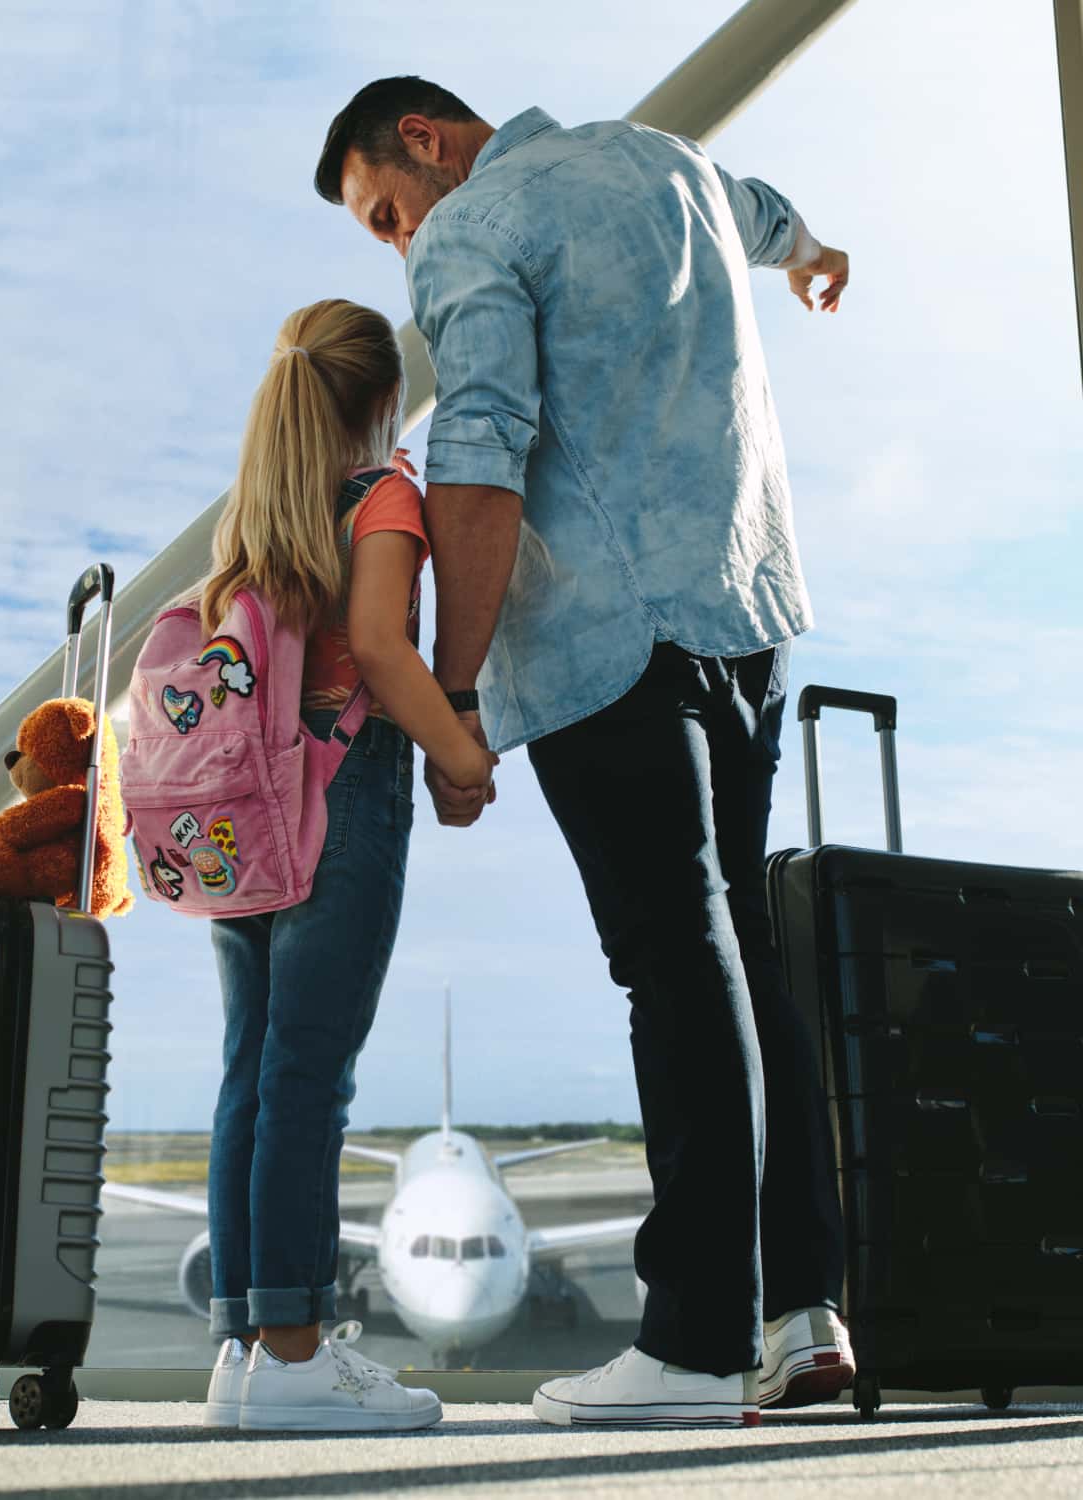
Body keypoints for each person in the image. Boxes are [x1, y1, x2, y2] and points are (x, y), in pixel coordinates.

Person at [316, 79, 852, 1429]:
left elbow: (483, 453)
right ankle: (801, 1316)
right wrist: (816, 256)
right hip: (748, 615)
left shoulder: (472, 227)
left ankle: (688, 1347)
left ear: (425, 144)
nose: (396, 245)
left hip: (609, 643)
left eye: (384, 213)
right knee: (741, 959)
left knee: (671, 962)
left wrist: (456, 694)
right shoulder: (667, 163)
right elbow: (768, 211)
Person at [197, 297, 495, 1432]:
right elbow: (379, 644)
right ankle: (297, 1356)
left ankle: (243, 1349)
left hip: (240, 818)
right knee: (309, 1079)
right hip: (338, 803)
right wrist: (463, 752)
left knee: (250, 1075)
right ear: (383, 400)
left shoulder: (252, 523)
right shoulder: (382, 495)